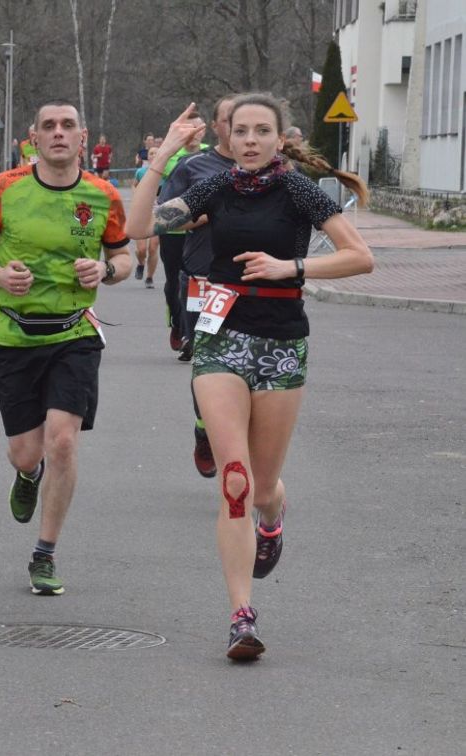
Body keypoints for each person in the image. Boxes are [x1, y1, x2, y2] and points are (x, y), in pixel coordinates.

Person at [125, 95, 373, 661]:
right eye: (243, 131)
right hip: (221, 341)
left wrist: (295, 267)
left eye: (264, 131)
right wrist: (164, 154)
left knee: (262, 487)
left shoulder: (300, 192)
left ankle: (273, 513)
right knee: (233, 479)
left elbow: (361, 257)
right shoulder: (214, 189)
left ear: (279, 137)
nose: (253, 140)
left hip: (282, 343)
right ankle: (241, 615)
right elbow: (140, 225)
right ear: (229, 138)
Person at [0, 100, 130, 595]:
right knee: (25, 453)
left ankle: (45, 552)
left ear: (84, 137)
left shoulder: (103, 195)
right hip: (14, 335)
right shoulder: (5, 188)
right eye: (49, 127)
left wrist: (105, 270)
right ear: (33, 137)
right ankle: (27, 473)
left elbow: (124, 255)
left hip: (74, 333)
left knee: (63, 439)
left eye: (68, 125)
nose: (59, 133)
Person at [158, 94, 238, 477]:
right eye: (231, 121)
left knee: (252, 373)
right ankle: (205, 428)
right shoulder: (196, 166)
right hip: (207, 281)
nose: (241, 130)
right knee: (208, 366)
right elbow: (160, 217)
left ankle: (246, 460)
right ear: (218, 127)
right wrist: (200, 217)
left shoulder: (276, 171)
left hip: (257, 286)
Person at [157, 111, 207, 357]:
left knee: (198, 281)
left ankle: (194, 333)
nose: (193, 134)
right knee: (174, 283)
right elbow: (161, 196)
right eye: (187, 129)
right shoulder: (170, 157)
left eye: (197, 129)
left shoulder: (212, 154)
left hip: (202, 232)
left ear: (204, 131)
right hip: (174, 232)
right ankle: (178, 324)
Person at [131, 146, 160, 287]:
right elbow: (134, 186)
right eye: (151, 153)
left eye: (156, 153)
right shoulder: (141, 172)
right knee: (141, 250)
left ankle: (149, 278)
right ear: (148, 157)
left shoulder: (165, 173)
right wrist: (138, 197)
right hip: (142, 212)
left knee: (153, 248)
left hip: (158, 213)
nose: (154, 155)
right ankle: (141, 263)